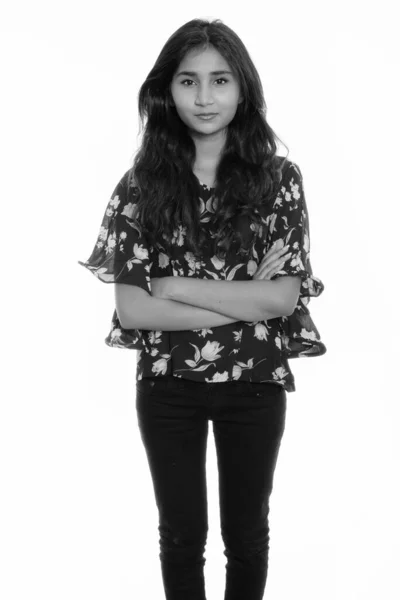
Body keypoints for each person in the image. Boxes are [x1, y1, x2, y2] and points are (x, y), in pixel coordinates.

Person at [78, 17, 326, 600]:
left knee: (248, 536)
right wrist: (246, 302)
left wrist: (171, 284)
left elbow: (283, 296)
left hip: (254, 385)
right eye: (189, 81)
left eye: (220, 80)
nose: (205, 96)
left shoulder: (279, 181)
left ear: (243, 88)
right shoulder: (141, 185)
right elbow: (134, 312)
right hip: (168, 387)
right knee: (181, 538)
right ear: (168, 90)